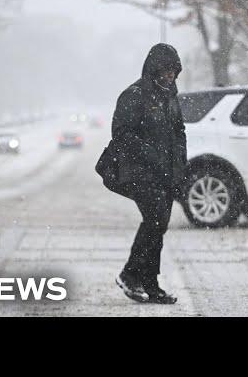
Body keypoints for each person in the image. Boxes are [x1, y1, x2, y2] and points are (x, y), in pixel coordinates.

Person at [112, 43, 187, 304]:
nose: (170, 76)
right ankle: (130, 274)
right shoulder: (134, 95)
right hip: (139, 172)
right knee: (155, 220)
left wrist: (180, 165)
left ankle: (148, 282)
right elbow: (121, 135)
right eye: (165, 70)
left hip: (165, 174)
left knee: (159, 224)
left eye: (173, 71)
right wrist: (151, 154)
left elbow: (179, 132)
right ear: (154, 69)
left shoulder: (170, 97)